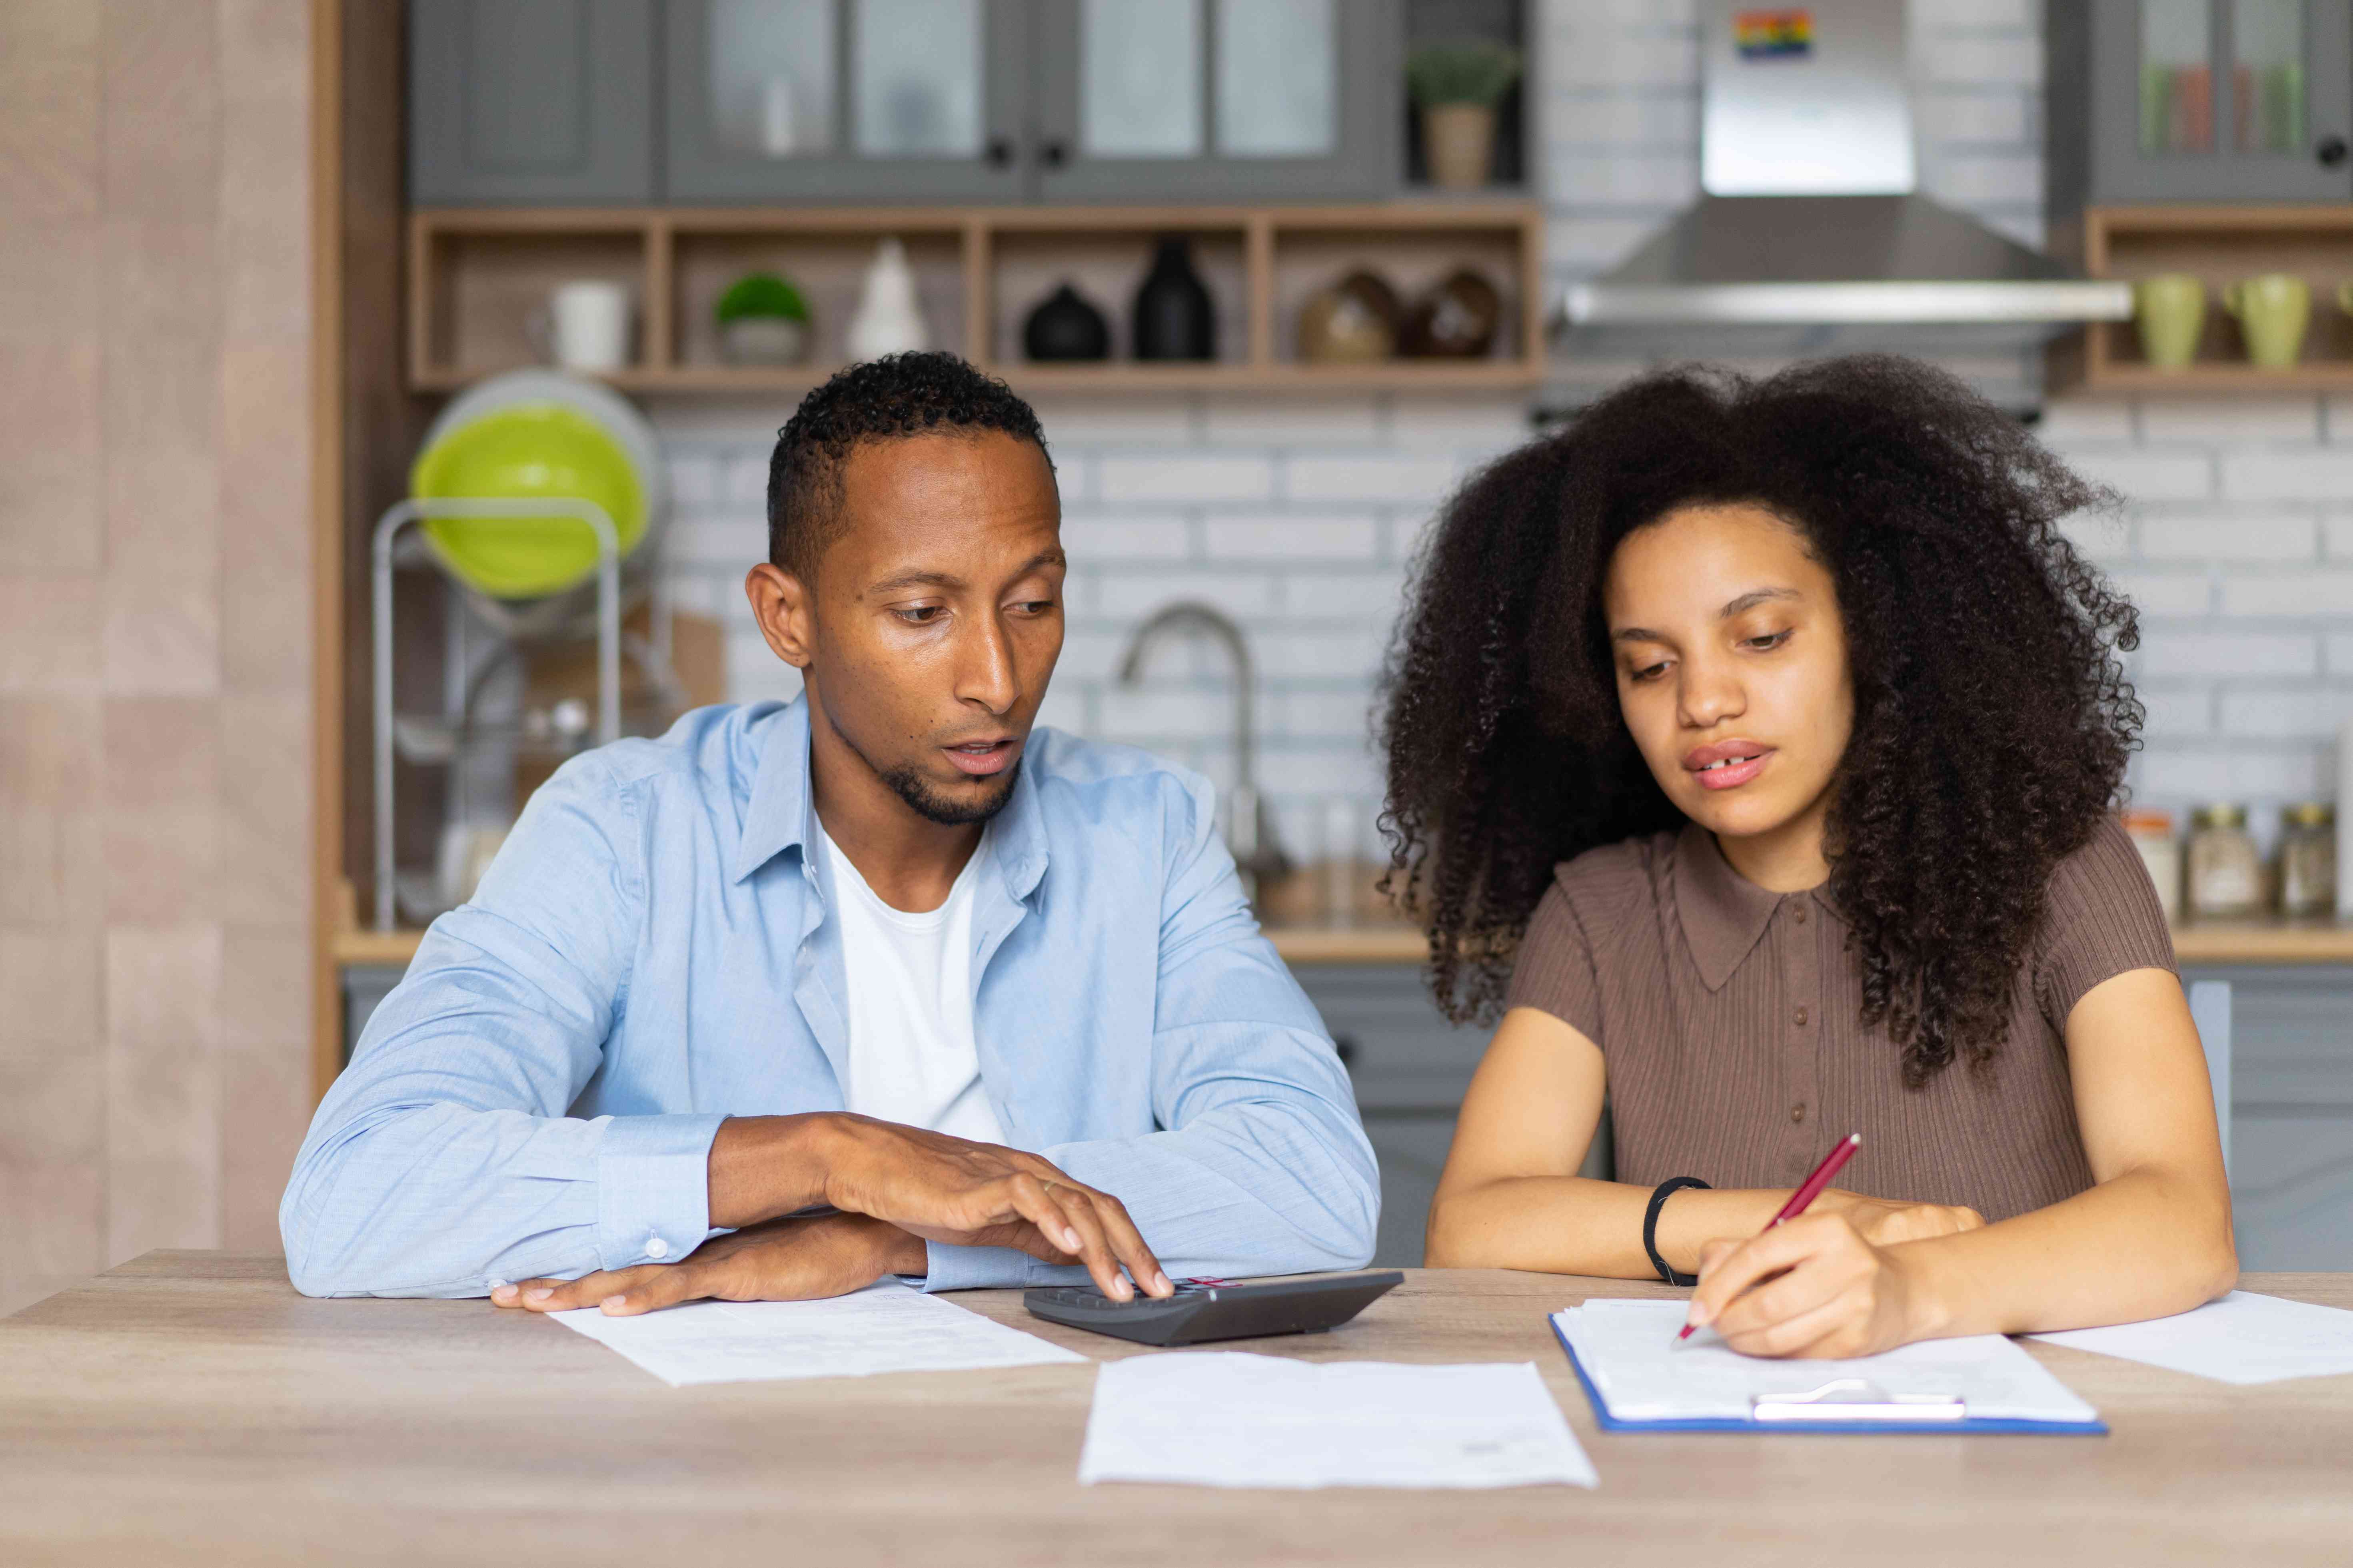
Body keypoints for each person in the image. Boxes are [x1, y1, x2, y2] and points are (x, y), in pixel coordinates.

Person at [284, 352, 1376, 1312]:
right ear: (787, 618)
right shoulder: (624, 830)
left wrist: (897, 1239)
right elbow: (354, 1195)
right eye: (920, 614)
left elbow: (1314, 1185)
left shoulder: (1149, 834)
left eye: (1031, 605)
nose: (996, 681)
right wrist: (828, 1157)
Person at [1383, 356, 2236, 1359]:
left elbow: (2184, 1220)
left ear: (1871, 635)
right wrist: (1785, 1225)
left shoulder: (2063, 866)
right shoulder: (1600, 911)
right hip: (1719, 1470)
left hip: (2027, 1465)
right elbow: (1470, 1224)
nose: (1701, 701)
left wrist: (1906, 1288)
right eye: (1650, 665)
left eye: (1760, 637)